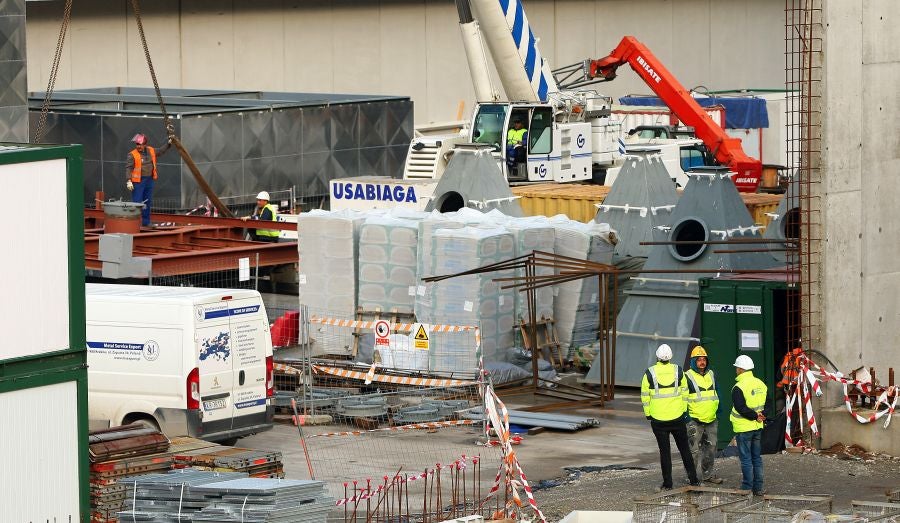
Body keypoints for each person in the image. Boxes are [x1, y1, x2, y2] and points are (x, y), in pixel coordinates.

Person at [641, 343, 700, 492]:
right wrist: (683, 410)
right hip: (677, 418)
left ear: (657, 357)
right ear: (671, 357)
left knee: (665, 452)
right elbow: (685, 392)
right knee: (685, 450)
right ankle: (694, 481)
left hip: (658, 420)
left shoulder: (649, 373)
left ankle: (668, 484)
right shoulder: (678, 371)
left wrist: (649, 414)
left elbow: (644, 397)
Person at [731, 354, 768, 495]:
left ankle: (747, 488)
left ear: (741, 369)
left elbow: (740, 407)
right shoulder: (760, 384)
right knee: (756, 458)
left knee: (746, 459)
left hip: (744, 428)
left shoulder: (738, 386)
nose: (736, 370)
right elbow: (768, 403)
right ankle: (758, 488)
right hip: (758, 427)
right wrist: (762, 415)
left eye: (736, 368)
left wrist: (754, 416)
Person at [685, 346, 722, 484]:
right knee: (693, 451)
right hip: (694, 420)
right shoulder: (687, 376)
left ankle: (707, 475)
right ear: (694, 361)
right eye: (699, 360)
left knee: (710, 449)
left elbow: (717, 392)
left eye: (704, 359)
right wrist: (686, 417)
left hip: (711, 419)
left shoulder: (711, 374)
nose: (702, 362)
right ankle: (692, 478)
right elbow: (683, 397)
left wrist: (719, 410)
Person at [126, 133, 171, 226]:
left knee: (147, 201)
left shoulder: (151, 150)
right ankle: (135, 223)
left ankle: (146, 222)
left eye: (140, 144)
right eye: (137, 144)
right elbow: (129, 168)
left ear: (145, 144)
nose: (138, 146)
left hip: (149, 180)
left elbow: (161, 151)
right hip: (138, 182)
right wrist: (129, 181)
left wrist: (169, 144)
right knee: (137, 202)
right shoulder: (132, 154)